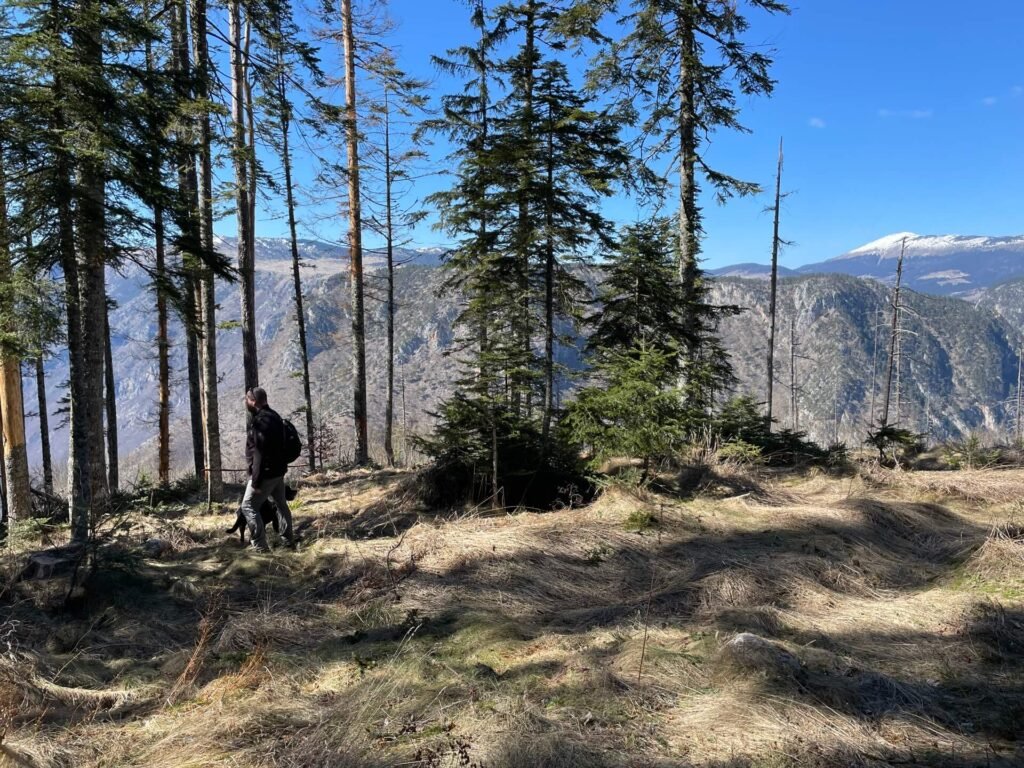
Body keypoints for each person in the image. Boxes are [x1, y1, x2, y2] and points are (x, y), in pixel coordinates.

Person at [239, 387, 295, 552]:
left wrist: (255, 480)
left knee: (248, 506)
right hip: (278, 471)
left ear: (253, 401)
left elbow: (259, 454)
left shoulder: (261, 421)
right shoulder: (275, 416)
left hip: (266, 473)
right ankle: (287, 540)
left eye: (247, 400)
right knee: (281, 504)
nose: (246, 403)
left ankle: (260, 547)